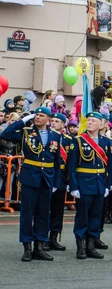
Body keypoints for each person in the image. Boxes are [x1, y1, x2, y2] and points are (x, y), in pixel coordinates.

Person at [0, 107, 61, 262]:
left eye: (41, 115)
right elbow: (4, 134)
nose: (37, 117)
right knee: (27, 214)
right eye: (36, 115)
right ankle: (27, 247)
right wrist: (23, 121)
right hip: (30, 177)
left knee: (43, 214)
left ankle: (39, 247)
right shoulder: (25, 132)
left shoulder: (55, 135)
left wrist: (56, 181)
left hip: (46, 178)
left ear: (48, 119)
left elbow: (57, 160)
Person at [69, 112, 112, 260]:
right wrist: (74, 186)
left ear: (101, 124)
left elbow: (109, 166)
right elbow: (72, 166)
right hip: (84, 183)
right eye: (88, 120)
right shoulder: (78, 141)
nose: (89, 123)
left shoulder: (105, 142)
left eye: (93, 121)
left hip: (100, 183)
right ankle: (81, 247)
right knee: (83, 216)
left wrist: (108, 184)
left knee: (96, 216)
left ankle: (91, 245)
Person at [46, 112, 72, 252]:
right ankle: (42, 238)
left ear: (63, 125)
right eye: (53, 120)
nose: (54, 123)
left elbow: (70, 163)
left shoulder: (68, 140)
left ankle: (54, 238)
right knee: (44, 209)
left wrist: (69, 181)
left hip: (61, 177)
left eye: (57, 121)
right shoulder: (46, 137)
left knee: (57, 209)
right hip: (48, 175)